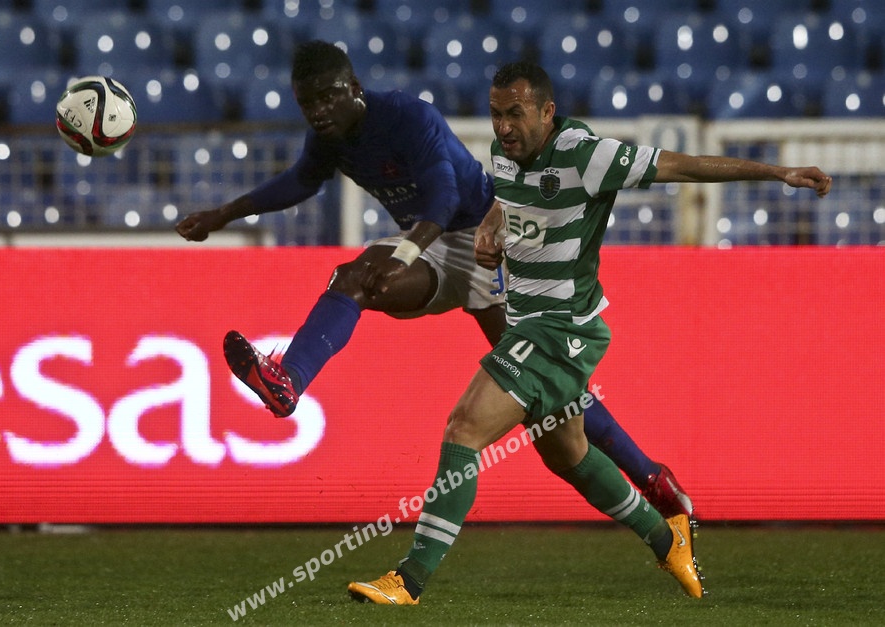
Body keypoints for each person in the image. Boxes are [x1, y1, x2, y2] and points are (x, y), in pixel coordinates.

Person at [346, 61, 832, 605]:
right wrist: (491, 226)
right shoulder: (505, 154)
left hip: (561, 331)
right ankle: (666, 538)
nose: (504, 127)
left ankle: (408, 580)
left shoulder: (587, 156)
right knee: (569, 455)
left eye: (516, 114)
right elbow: (510, 201)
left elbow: (686, 167)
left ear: (547, 112)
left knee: (464, 429)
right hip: (524, 323)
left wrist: (779, 173)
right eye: (496, 114)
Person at [175, 40, 692, 517]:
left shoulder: (406, 117)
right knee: (353, 277)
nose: (318, 111)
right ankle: (288, 382)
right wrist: (223, 214)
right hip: (433, 246)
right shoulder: (328, 137)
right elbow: (300, 182)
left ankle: (649, 476)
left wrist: (405, 252)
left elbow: (445, 196)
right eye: (307, 103)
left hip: (489, 242)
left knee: (546, 397)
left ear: (354, 87)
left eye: (328, 97)